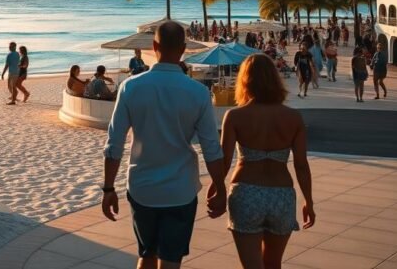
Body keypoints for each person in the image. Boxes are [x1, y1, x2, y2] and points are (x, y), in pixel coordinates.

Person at [101, 22, 227, 269]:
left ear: (154, 46)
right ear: (183, 49)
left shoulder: (131, 87)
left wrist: (108, 188)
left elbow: (114, 143)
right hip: (180, 189)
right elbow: (211, 148)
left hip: (142, 188)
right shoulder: (198, 92)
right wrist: (220, 187)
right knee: (170, 261)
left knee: (146, 255)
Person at [221, 54, 315, 269]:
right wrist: (308, 201)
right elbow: (301, 165)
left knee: (252, 266)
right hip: (281, 194)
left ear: (244, 80)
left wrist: (216, 187)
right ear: (275, 79)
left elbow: (224, 160)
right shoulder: (293, 117)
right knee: (273, 264)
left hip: (246, 192)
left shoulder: (235, 116)